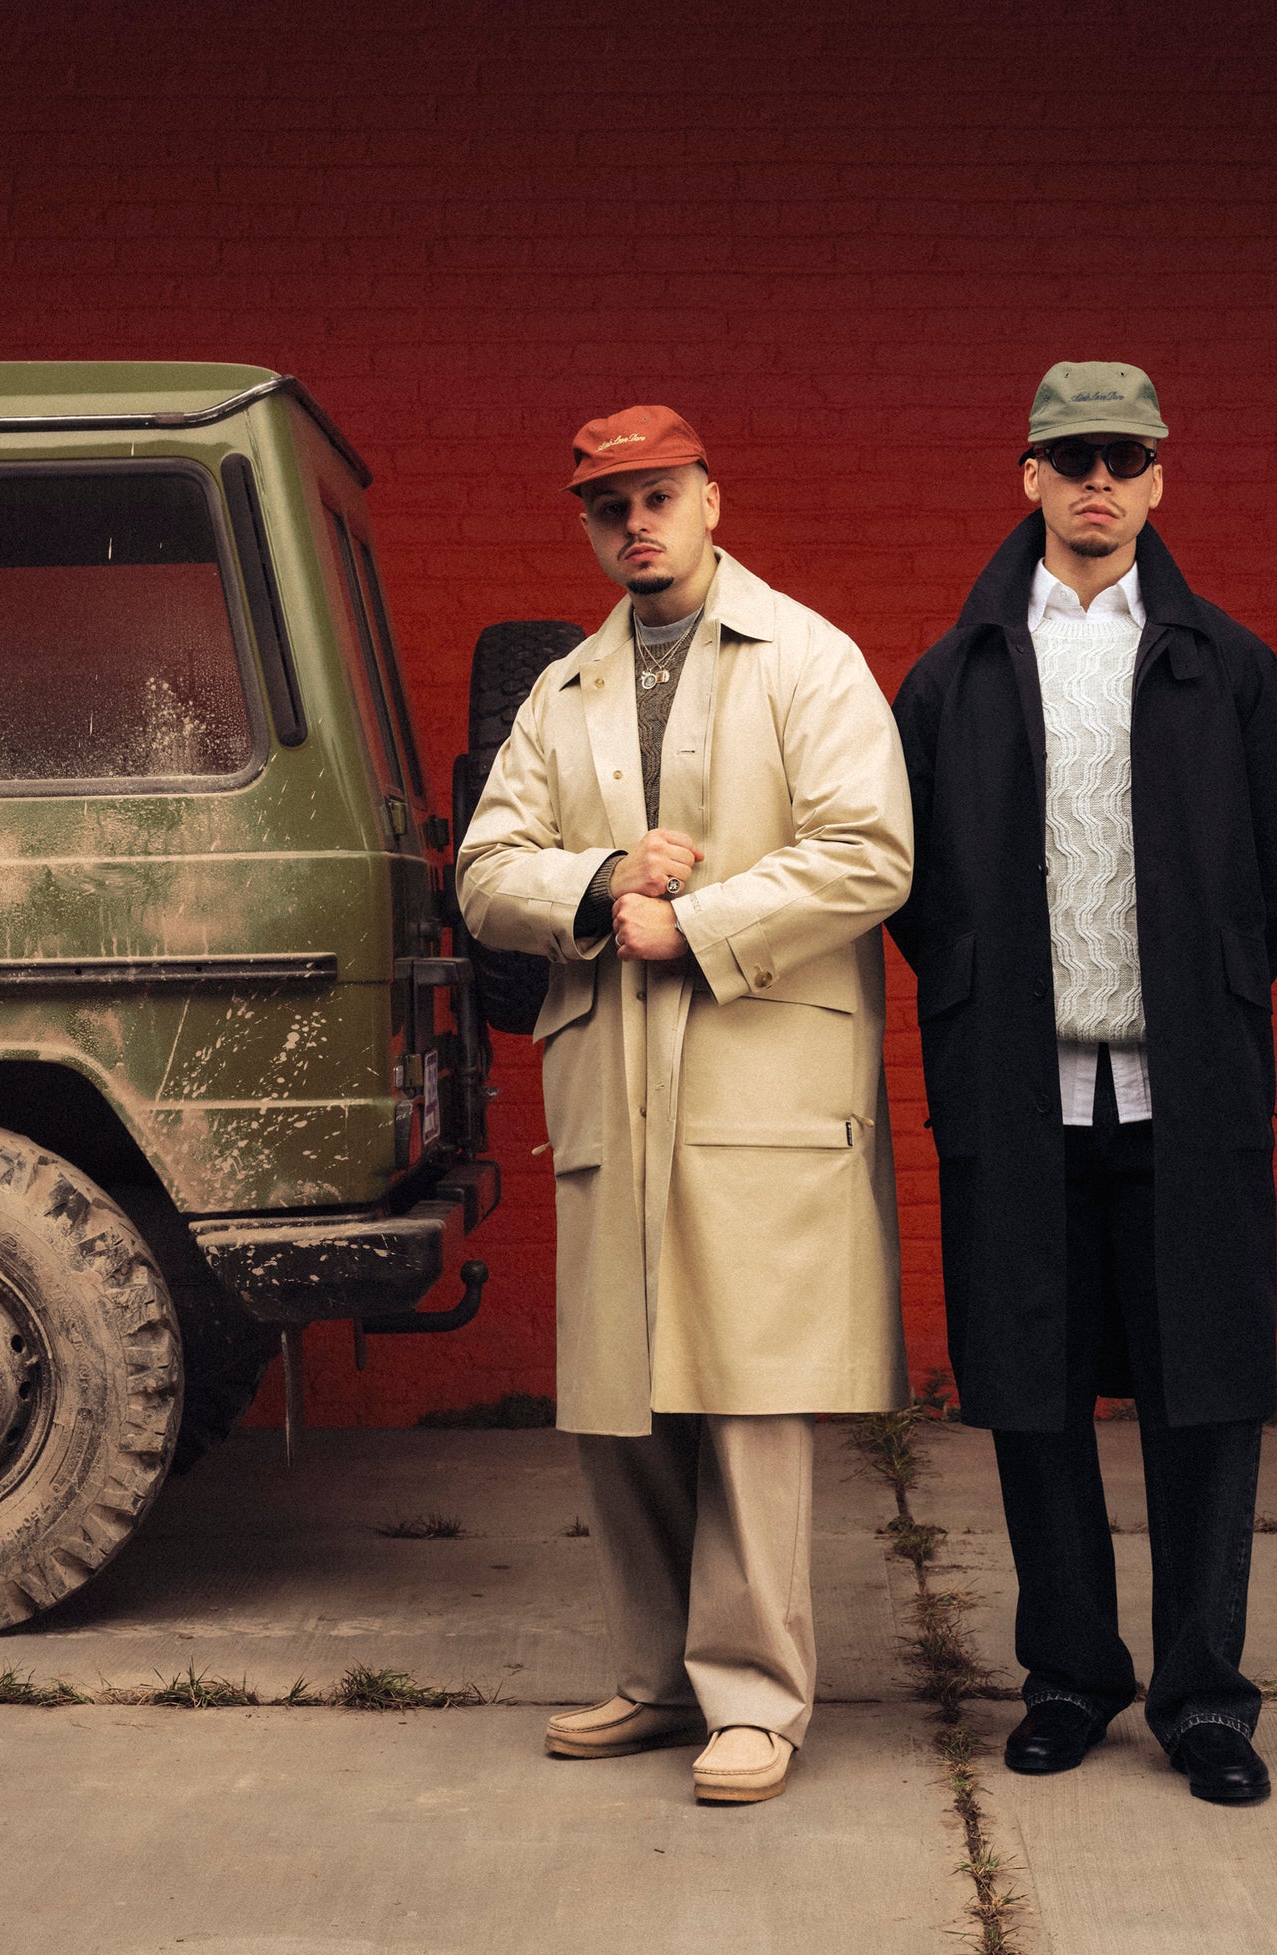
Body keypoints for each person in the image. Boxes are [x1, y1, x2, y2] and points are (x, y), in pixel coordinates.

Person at [457, 405, 913, 1805]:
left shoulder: (809, 657)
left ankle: (757, 1701)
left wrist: (695, 918)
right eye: (610, 507)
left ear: (713, 496)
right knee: (622, 1399)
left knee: (749, 1398)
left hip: (755, 1073)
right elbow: (487, 868)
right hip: (615, 1079)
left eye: (660, 495)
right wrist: (599, 885)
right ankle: (657, 1678)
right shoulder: (565, 688)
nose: (636, 523)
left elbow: (871, 852)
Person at [888, 361, 1277, 1805]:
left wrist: (1209, 987)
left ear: (1158, 478)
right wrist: (972, 994)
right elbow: (914, 880)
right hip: (1019, 1094)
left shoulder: (1227, 662)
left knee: (1206, 1392)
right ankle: (1071, 1674)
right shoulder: (957, 674)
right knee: (1032, 1389)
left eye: (1122, 457)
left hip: (1184, 1093)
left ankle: (1203, 1696)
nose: (1096, 482)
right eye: (1069, 456)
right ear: (1027, 477)